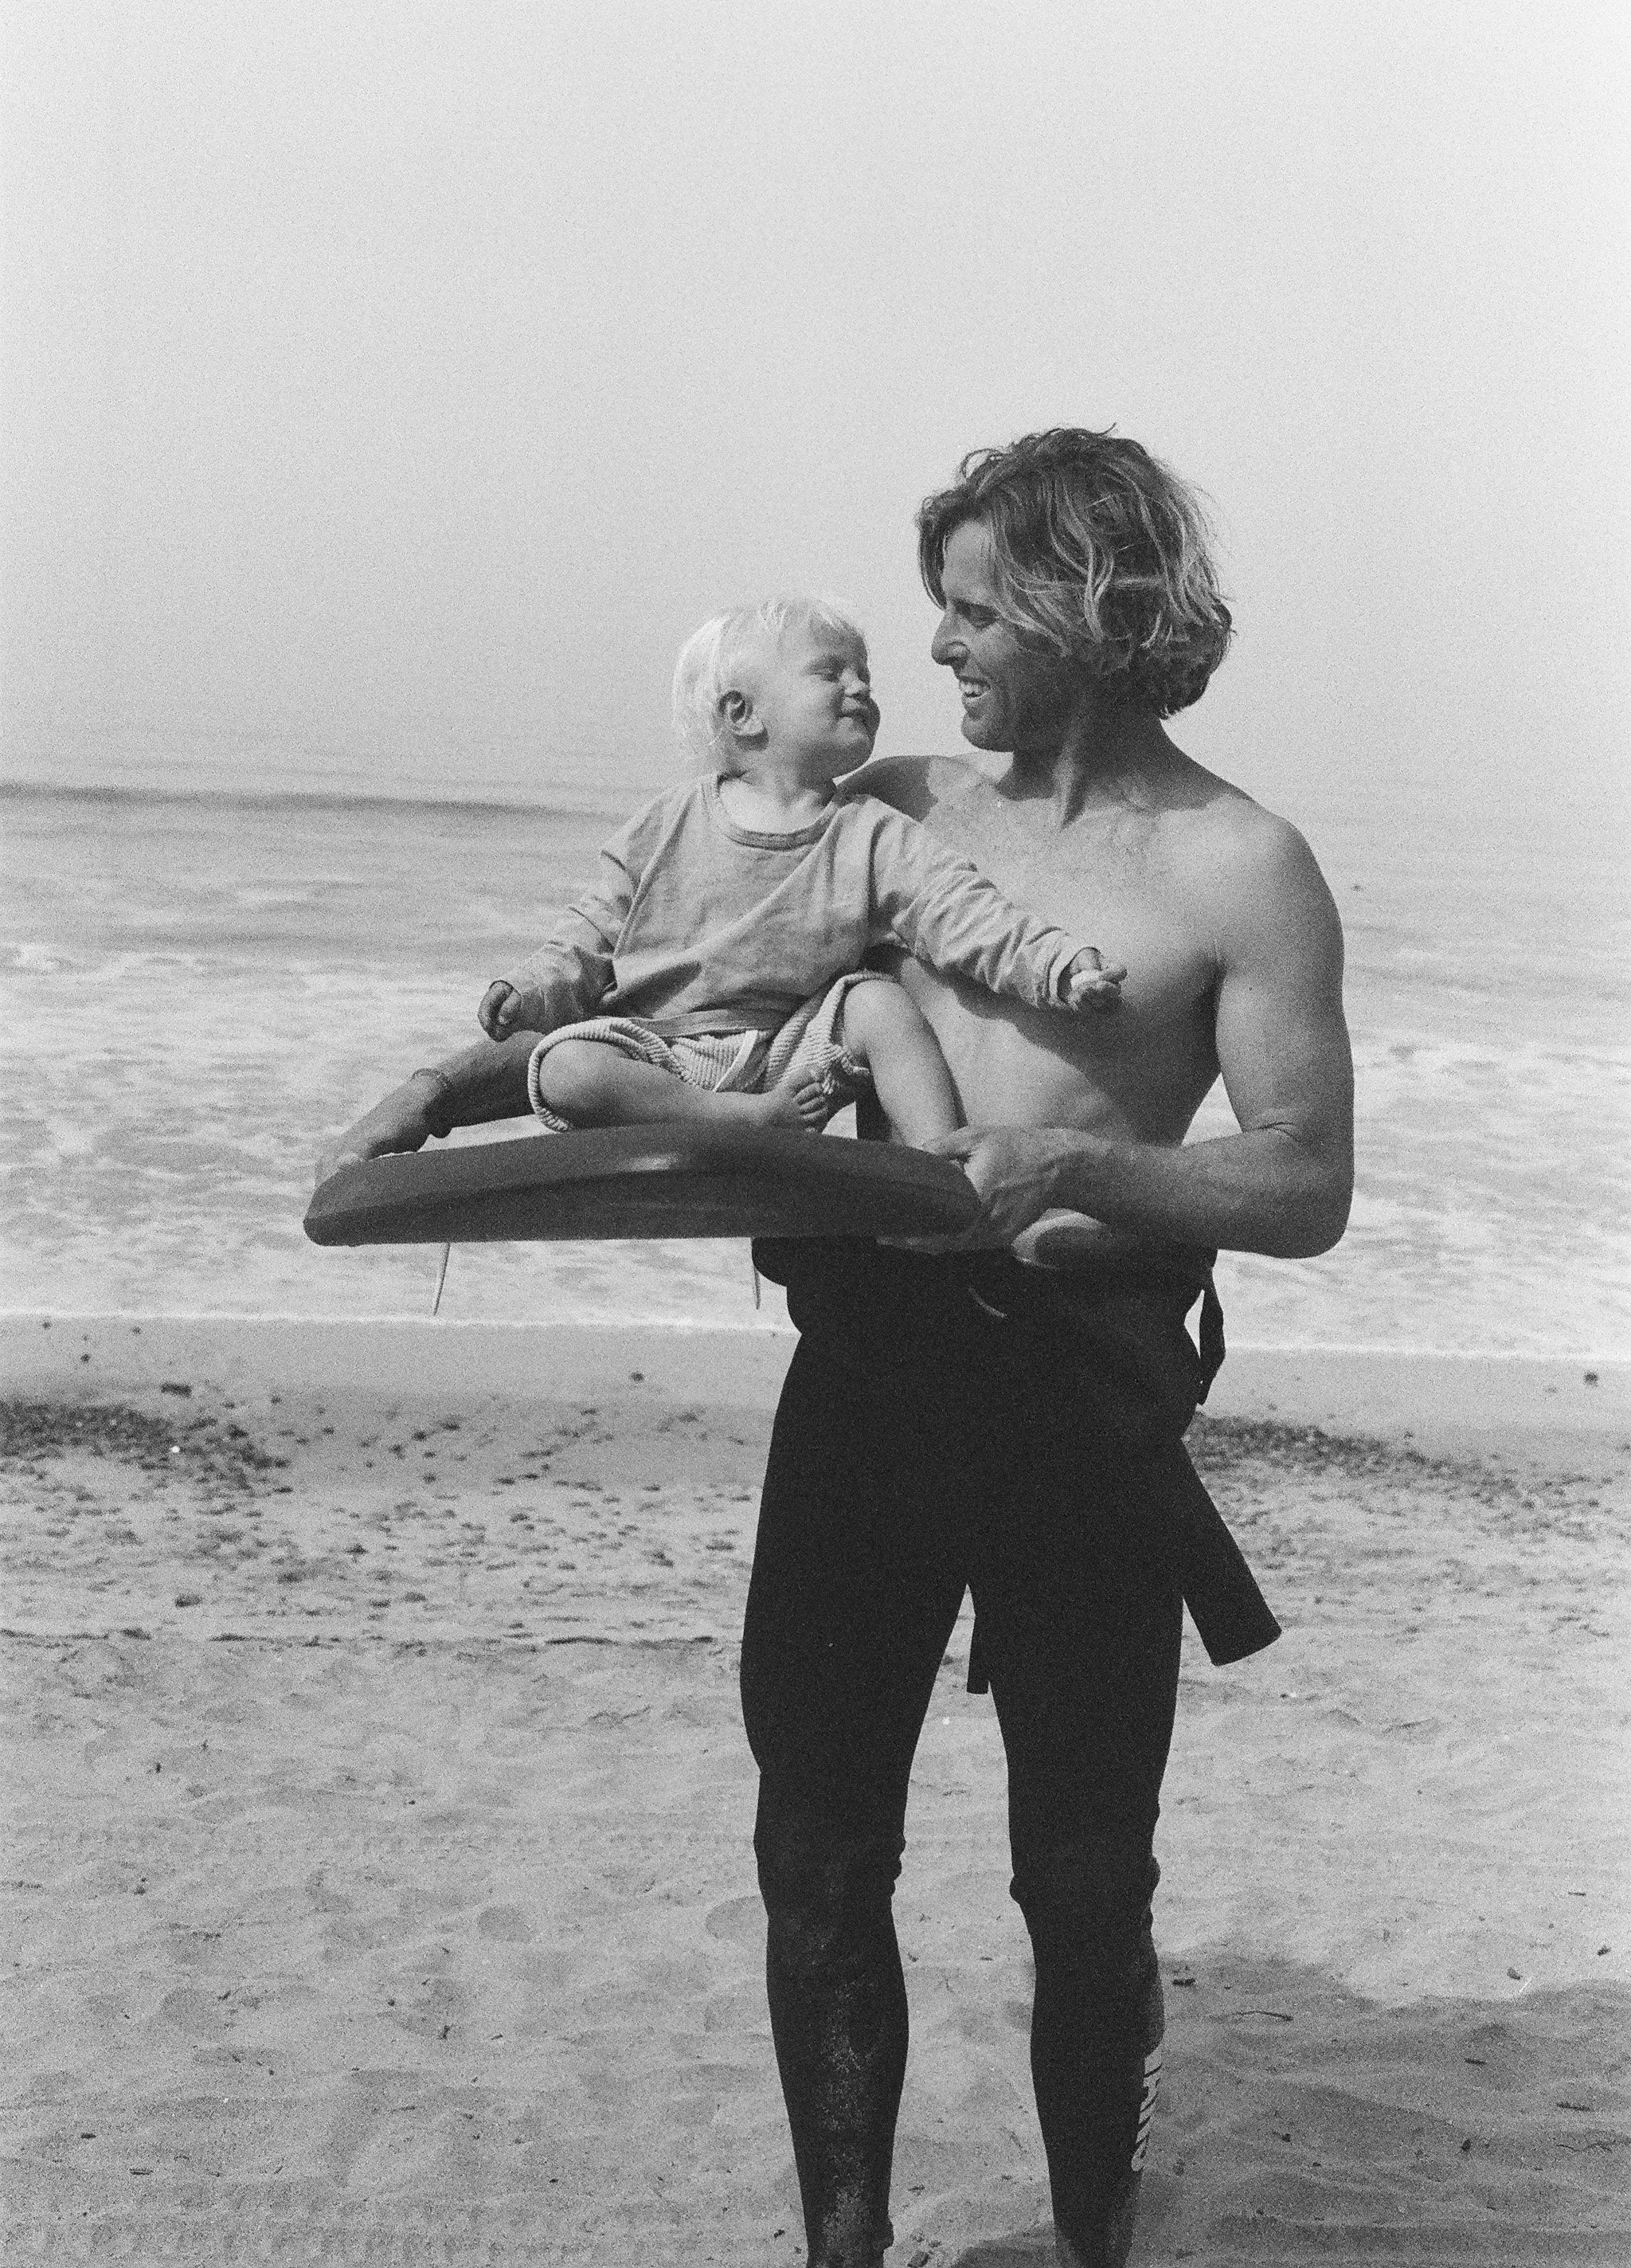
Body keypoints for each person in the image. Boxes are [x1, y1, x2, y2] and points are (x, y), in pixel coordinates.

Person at [317, 427, 1355, 2268]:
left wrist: (1078, 1162)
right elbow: (686, 1014)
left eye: (969, 613)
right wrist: (455, 1082)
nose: (936, 650)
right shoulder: (880, 807)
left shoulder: (1237, 867)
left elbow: (1299, 1181)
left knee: (1086, 1883)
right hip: (870, 1371)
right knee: (813, 1851)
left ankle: (1095, 2240)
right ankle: (844, 2251)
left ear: (1082, 611)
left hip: (1082, 1410)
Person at [475, 594, 1125, 1153]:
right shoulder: (668, 820)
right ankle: (736, 1118)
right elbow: (590, 931)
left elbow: (962, 911)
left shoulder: (870, 830)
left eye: (864, 674)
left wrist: (1055, 966)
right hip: (664, 1045)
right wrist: (530, 990)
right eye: (830, 673)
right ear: (743, 714)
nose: (860, 687)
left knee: (879, 1004)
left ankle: (937, 1166)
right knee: (565, 1067)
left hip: (795, 1045)